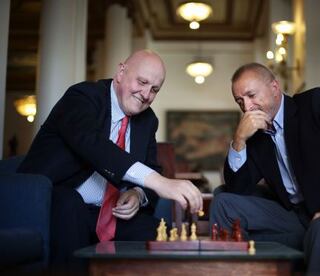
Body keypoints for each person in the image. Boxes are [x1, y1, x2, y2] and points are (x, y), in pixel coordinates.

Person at [17, 49, 203, 268]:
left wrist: (137, 193)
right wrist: (159, 182)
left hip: (112, 213)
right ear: (121, 72)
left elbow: (152, 166)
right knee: (69, 207)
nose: (145, 94)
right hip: (58, 197)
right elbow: (93, 145)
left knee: (158, 235)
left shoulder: (148, 120)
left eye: (154, 89)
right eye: (141, 82)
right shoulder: (82, 96)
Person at [210, 63, 320, 275]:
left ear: (274, 87)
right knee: (224, 202)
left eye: (252, 95)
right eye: (240, 101)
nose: (247, 107)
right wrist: (239, 140)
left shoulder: (312, 104)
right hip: (292, 215)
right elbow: (236, 187)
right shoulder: (255, 135)